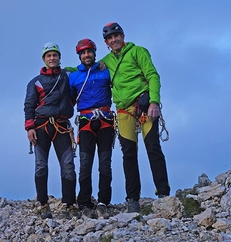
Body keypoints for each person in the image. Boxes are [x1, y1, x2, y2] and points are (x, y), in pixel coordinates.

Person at [100, 22, 170, 213]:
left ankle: (163, 193)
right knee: (128, 154)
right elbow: (86, 70)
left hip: (144, 105)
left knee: (153, 147)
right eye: (110, 38)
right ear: (106, 42)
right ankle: (132, 199)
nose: (114, 40)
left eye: (117, 36)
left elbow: (153, 76)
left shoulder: (138, 52)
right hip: (123, 110)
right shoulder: (105, 61)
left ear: (123, 36)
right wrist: (67, 71)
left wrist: (154, 101)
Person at [24, 42, 80, 219]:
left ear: (59, 57)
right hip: (41, 127)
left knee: (68, 166)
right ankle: (43, 204)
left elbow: (84, 69)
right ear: (44, 59)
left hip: (61, 126)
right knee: (41, 166)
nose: (52, 58)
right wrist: (29, 128)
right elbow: (29, 106)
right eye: (49, 55)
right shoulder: (35, 82)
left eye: (55, 55)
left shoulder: (67, 76)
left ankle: (70, 204)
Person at [69, 38, 115, 219]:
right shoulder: (74, 76)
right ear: (79, 55)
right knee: (85, 164)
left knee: (105, 163)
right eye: (83, 53)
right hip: (86, 121)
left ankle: (103, 201)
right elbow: (71, 99)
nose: (86, 55)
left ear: (95, 53)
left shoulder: (106, 71)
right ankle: (85, 202)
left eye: (89, 52)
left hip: (105, 119)